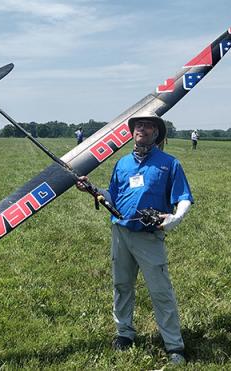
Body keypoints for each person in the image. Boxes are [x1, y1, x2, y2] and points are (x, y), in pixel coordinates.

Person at [76, 115, 193, 366]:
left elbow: (184, 197)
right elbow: (113, 198)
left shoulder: (169, 164)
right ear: (132, 132)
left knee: (161, 291)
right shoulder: (122, 164)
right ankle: (124, 334)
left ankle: (174, 345)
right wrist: (92, 189)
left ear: (156, 133)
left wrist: (175, 217)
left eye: (148, 125)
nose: (141, 128)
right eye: (138, 125)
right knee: (122, 285)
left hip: (149, 237)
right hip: (121, 233)